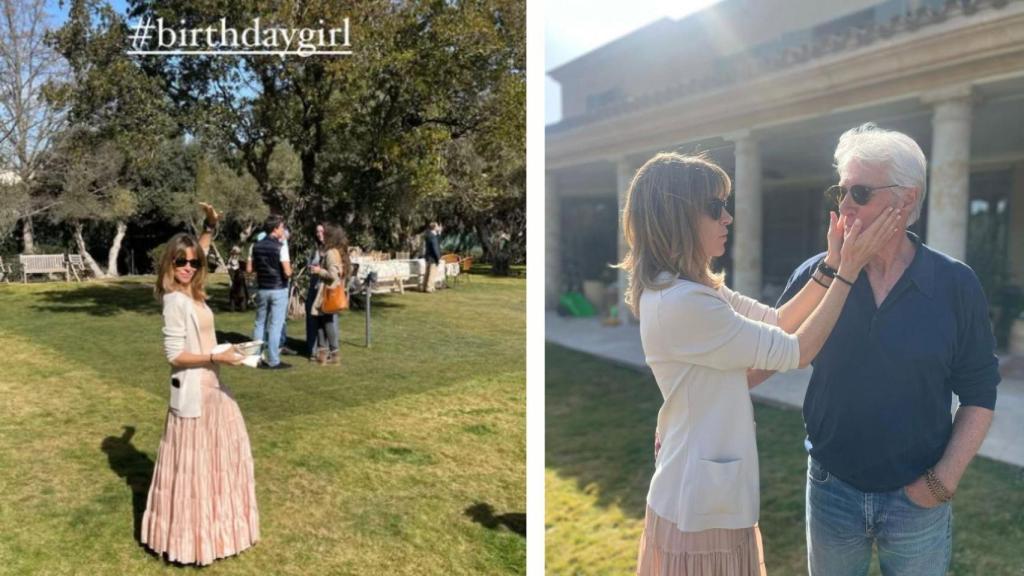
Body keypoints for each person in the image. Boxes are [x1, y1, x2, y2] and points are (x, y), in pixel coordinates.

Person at [619, 152, 900, 576]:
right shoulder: (683, 303)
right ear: (675, 218)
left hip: (702, 493)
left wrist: (830, 264)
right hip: (698, 508)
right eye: (715, 208)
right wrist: (849, 272)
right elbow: (797, 349)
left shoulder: (689, 290)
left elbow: (776, 320)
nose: (728, 218)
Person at [773, 123, 1001, 576]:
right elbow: (764, 353)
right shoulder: (816, 274)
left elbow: (980, 392)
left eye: (860, 192)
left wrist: (941, 483)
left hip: (917, 499)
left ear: (906, 198)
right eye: (840, 192)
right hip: (831, 487)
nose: (845, 206)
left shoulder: (954, 283)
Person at [142, 202, 259, 565]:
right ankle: (189, 540)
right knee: (194, 469)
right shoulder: (175, 301)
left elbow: (200, 252)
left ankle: (218, 531)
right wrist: (214, 356)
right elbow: (174, 355)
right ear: (169, 264)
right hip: (194, 391)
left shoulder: (192, 289)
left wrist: (209, 226)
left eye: (193, 263)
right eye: (181, 262)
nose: (189, 267)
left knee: (220, 458)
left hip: (213, 386)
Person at [250, 214, 293, 369]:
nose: (284, 230)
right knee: (275, 325)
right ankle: (274, 360)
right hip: (278, 288)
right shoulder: (281, 246)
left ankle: (255, 357)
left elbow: (253, 267)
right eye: (282, 227)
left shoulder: (256, 246)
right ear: (276, 229)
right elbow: (287, 272)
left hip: (262, 288)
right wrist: (290, 270)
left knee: (259, 323)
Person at [309, 224, 352, 365]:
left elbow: (333, 275)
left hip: (328, 292)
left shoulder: (331, 253)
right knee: (321, 321)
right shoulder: (332, 251)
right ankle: (323, 353)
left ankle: (333, 354)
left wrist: (318, 271)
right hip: (324, 291)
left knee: (327, 322)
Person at [422, 221, 442, 293]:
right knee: (432, 273)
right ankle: (429, 288)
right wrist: (438, 258)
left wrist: (439, 233)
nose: (438, 227)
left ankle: (424, 287)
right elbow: (435, 247)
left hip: (428, 257)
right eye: (437, 226)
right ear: (434, 227)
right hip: (433, 257)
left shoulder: (429, 235)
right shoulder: (432, 237)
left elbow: (437, 242)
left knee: (427, 273)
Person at [227, 245, 248, 312]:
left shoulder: (240, 261)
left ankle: (242, 307)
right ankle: (233, 307)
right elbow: (230, 269)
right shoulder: (230, 260)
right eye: (234, 253)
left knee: (241, 293)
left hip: (240, 279)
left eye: (237, 253)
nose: (235, 255)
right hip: (233, 279)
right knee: (234, 294)